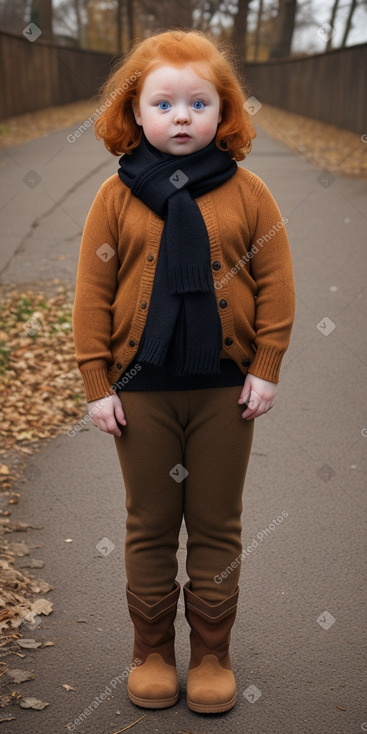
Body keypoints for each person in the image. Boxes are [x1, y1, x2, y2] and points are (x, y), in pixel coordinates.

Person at [72, 29, 295, 715]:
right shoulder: (115, 196)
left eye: (198, 103)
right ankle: (149, 651)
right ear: (134, 113)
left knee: (216, 522)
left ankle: (210, 653)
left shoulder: (249, 193)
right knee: (148, 521)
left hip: (223, 392)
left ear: (223, 113)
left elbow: (277, 281)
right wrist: (95, 382)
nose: (180, 116)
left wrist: (265, 365)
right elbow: (90, 293)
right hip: (140, 393)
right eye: (162, 103)